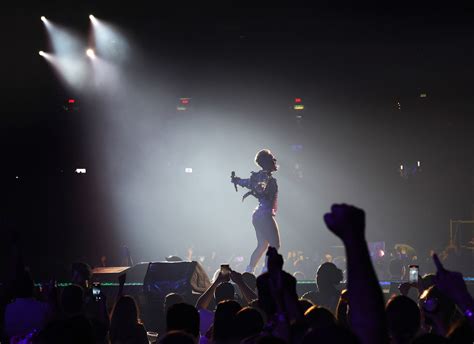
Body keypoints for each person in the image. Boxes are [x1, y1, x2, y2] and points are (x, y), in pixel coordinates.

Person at [231, 149, 280, 273]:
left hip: (258, 215)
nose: (275, 160)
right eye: (272, 158)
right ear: (268, 162)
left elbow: (247, 182)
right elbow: (259, 187)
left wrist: (237, 180)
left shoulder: (260, 176)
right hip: (265, 215)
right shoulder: (265, 176)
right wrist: (260, 187)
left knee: (262, 245)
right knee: (274, 245)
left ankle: (249, 271)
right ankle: (266, 271)